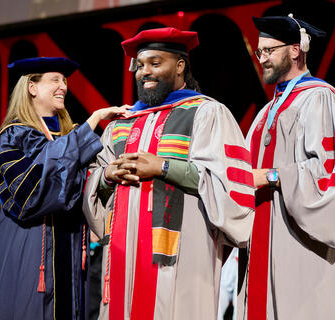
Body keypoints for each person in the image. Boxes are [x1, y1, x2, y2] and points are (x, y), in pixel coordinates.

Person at [82, 27, 255, 320]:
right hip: (124, 252)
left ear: (179, 66)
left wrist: (162, 167)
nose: (144, 72)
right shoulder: (121, 123)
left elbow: (224, 181)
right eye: (140, 65)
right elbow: (92, 179)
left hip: (183, 252)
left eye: (155, 63)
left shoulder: (206, 113)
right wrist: (109, 173)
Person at [237, 14, 335, 319]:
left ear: (295, 50)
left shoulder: (321, 99)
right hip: (261, 249)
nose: (262, 58)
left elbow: (331, 177)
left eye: (269, 50)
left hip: (301, 250)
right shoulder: (265, 112)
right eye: (259, 51)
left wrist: (272, 176)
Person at [0, 57, 128, 320]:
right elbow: (31, 194)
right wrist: (93, 121)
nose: (63, 86)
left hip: (71, 252)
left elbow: (81, 187)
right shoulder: (14, 135)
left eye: (64, 81)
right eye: (55, 79)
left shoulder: (69, 138)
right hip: (30, 254)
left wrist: (106, 175)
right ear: (32, 87)